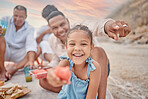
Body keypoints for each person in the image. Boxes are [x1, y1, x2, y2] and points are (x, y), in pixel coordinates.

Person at [39, 5, 131, 99]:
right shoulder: (52, 40)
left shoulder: (80, 28)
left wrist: (109, 26)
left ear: (67, 21)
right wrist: (49, 67)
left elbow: (97, 26)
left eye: (62, 24)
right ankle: (79, 91)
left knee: (98, 51)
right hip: (74, 75)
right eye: (55, 28)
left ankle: (100, 94)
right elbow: (56, 58)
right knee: (42, 81)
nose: (60, 30)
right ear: (50, 28)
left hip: (96, 70)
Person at [47, 25, 101, 99]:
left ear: (91, 47)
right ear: (66, 47)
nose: (77, 48)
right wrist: (52, 76)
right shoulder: (65, 63)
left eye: (83, 44)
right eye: (72, 44)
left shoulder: (94, 68)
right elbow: (55, 75)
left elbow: (91, 96)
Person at [0, 5, 38, 81]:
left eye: (21, 17)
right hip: (5, 50)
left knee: (37, 49)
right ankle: (2, 70)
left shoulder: (29, 28)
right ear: (13, 14)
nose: (17, 19)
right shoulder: (5, 20)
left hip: (19, 54)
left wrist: (31, 61)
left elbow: (30, 44)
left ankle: (14, 69)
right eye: (15, 15)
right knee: (0, 37)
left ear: (25, 17)